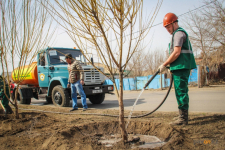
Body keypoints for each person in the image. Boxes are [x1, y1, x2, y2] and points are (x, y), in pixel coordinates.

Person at [158, 13, 196, 125]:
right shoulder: (177, 34)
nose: (168, 30)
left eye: (168, 27)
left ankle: (183, 119)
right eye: (166, 28)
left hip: (182, 66)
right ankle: (182, 116)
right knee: (179, 92)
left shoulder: (178, 34)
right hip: (179, 67)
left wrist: (165, 64)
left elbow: (176, 53)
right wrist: (172, 66)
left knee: (181, 92)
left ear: (175, 23)